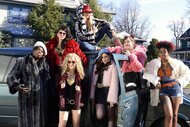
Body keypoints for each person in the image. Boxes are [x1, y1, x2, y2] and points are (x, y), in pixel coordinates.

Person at [45, 25, 87, 125]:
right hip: (56, 74)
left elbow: (83, 59)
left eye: (64, 33)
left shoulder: (72, 45)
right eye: (60, 32)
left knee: (70, 97)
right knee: (58, 100)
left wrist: (76, 68)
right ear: (57, 33)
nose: (62, 35)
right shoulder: (50, 45)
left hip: (69, 74)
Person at [143, 41, 190, 127]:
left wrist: (179, 82)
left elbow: (187, 73)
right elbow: (146, 73)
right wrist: (155, 80)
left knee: (175, 115)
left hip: (175, 89)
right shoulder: (154, 62)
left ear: (168, 52)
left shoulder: (177, 63)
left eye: (164, 52)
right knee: (169, 115)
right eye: (160, 52)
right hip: (163, 90)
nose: (162, 54)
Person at [7, 41, 50, 127]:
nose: (39, 52)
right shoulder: (22, 61)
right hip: (27, 101)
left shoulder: (45, 65)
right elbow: (11, 76)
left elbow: (49, 81)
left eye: (42, 51)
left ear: (43, 54)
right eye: (38, 49)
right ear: (33, 50)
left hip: (41, 102)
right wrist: (16, 86)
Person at [90, 48, 119, 127]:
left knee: (111, 118)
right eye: (102, 57)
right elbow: (93, 83)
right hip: (99, 93)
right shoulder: (97, 66)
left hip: (108, 92)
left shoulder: (113, 67)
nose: (104, 59)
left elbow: (114, 83)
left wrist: (112, 99)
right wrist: (92, 96)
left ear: (109, 56)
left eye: (106, 56)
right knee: (99, 115)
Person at [58, 53, 85, 127]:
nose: (71, 64)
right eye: (69, 62)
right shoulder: (62, 75)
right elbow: (56, 89)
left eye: (73, 62)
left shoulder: (80, 76)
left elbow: (85, 90)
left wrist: (80, 90)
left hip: (76, 102)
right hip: (64, 103)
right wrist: (60, 86)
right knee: (61, 125)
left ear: (77, 63)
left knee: (76, 125)